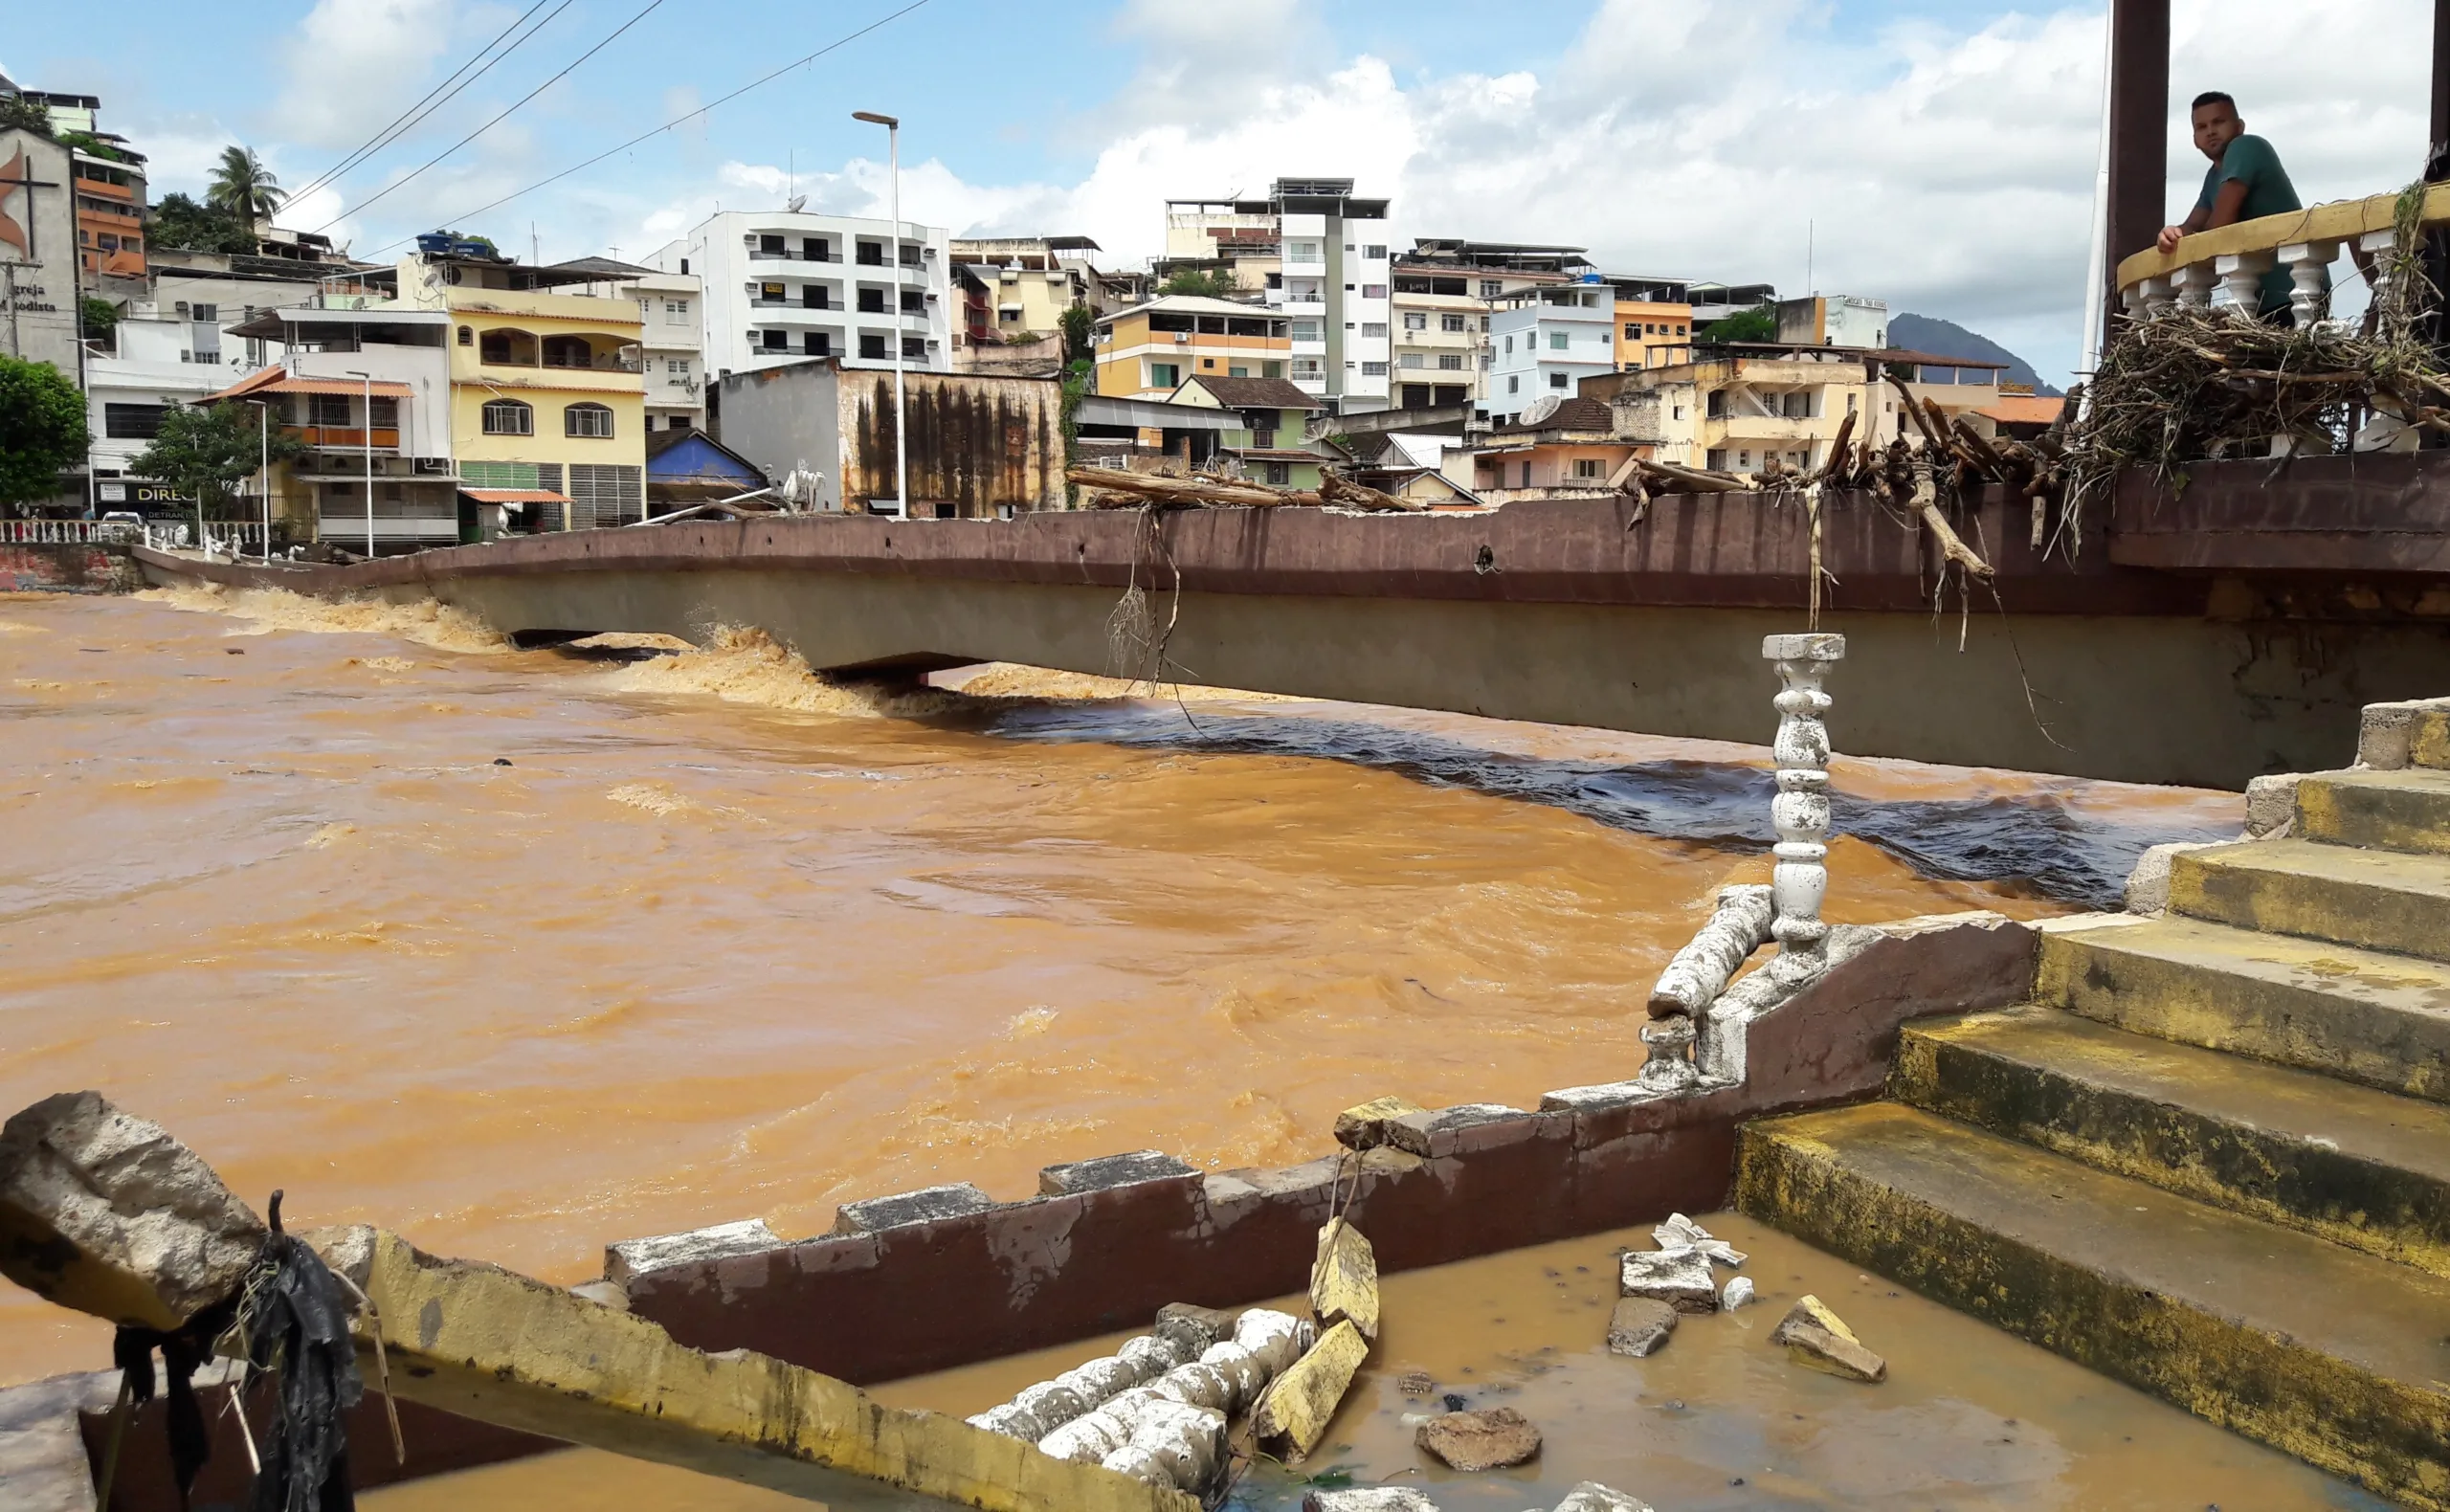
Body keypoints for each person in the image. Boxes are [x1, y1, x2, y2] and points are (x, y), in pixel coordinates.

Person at [2158, 91, 2313, 318]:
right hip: (2259, 298)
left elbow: (2220, 223)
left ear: (2239, 126)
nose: (2210, 131)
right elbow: (2193, 224)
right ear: (2194, 139)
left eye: (2218, 122)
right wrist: (2172, 233)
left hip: (2292, 293)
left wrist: (2191, 238)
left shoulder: (2246, 146)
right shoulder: (2213, 176)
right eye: (2201, 127)